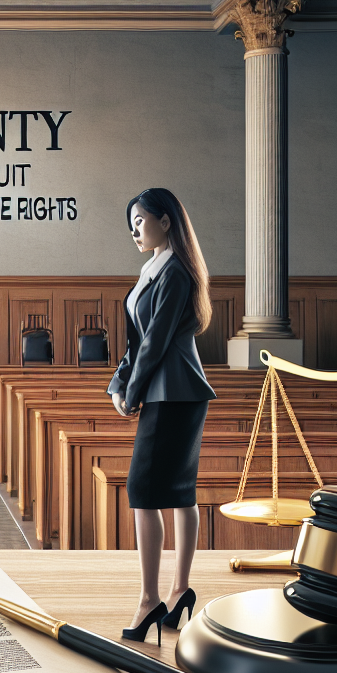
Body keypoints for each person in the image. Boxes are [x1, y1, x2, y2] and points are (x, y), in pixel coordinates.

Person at [107, 187, 215, 644]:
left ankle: (152, 599)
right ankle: (179, 590)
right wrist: (119, 383)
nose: (134, 230)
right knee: (175, 493)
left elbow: (156, 341)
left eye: (141, 220)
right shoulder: (152, 268)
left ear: (166, 220)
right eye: (130, 224)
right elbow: (136, 342)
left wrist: (133, 393)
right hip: (170, 392)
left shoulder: (176, 272)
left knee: (146, 491)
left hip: (177, 394)